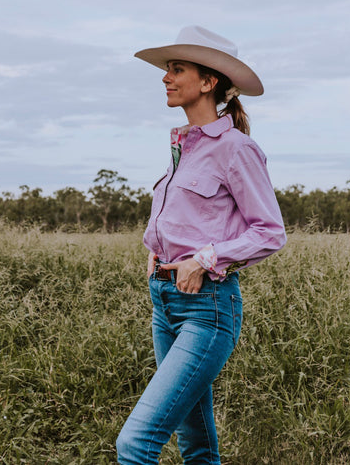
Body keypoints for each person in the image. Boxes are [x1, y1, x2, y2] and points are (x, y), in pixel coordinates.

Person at [116, 25, 286, 464]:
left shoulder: (236, 149)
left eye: (177, 69)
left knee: (134, 445)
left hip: (206, 308)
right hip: (165, 304)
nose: (165, 78)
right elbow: (190, 219)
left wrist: (205, 259)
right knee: (197, 447)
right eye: (167, 69)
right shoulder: (184, 148)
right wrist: (159, 249)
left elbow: (269, 232)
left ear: (208, 82)